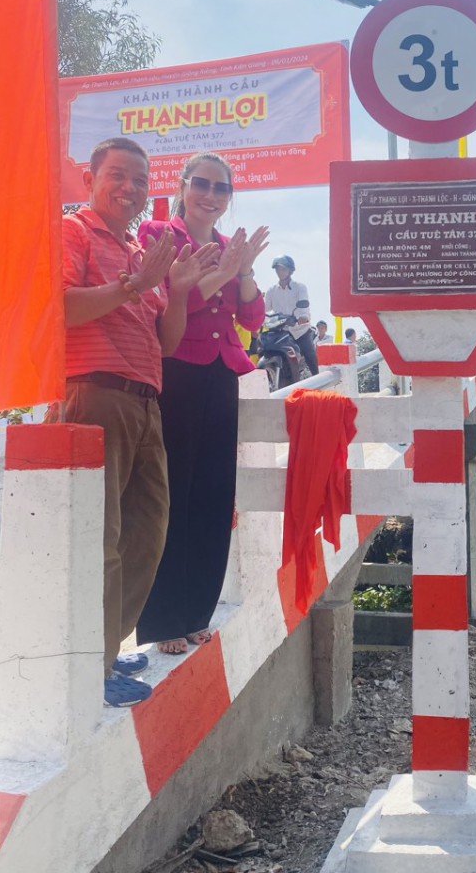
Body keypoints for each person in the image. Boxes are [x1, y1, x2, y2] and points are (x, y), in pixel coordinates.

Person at [61, 137, 217, 706]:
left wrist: (177, 291)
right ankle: (91, 668)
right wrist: (131, 286)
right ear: (89, 179)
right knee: (102, 540)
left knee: (147, 535)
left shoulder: (136, 249)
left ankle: (103, 648)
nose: (130, 189)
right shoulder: (73, 231)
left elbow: (166, 342)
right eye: (118, 175)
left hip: (147, 401)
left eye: (141, 180)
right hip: (96, 395)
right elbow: (60, 308)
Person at [136, 152, 269, 654]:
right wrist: (222, 272)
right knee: (172, 493)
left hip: (221, 372)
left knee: (214, 493)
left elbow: (252, 320)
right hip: (177, 370)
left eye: (221, 188)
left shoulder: (230, 247)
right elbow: (165, 306)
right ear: (183, 186)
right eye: (202, 184)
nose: (211, 196)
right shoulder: (158, 235)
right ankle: (162, 619)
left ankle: (196, 612)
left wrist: (245, 270)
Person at [265, 255, 318, 375]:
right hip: (281, 331)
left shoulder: (300, 287)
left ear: (290, 271)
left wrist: (302, 317)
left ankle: (320, 380)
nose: (280, 272)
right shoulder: (271, 290)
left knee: (310, 357)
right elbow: (265, 309)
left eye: (283, 269)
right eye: (278, 269)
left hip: (300, 331)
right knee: (266, 349)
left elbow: (304, 306)